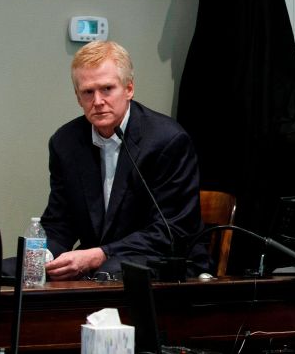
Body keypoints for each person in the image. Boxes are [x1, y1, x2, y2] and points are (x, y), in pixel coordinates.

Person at [39, 41, 210, 279]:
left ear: (129, 89)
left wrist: (100, 254)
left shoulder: (168, 141)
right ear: (78, 97)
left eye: (107, 89)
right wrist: (43, 258)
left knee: (109, 270)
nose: (97, 101)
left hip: (163, 259)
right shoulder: (65, 143)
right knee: (14, 269)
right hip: (101, 264)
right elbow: (60, 222)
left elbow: (172, 231)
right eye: (88, 92)